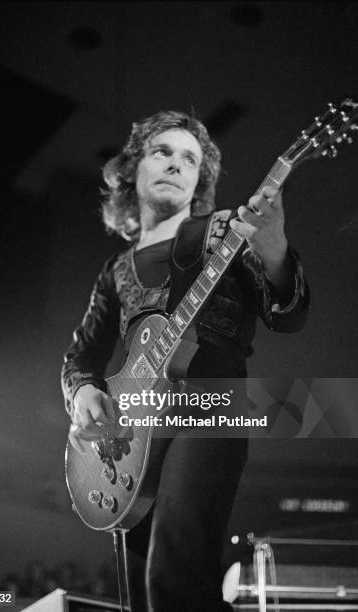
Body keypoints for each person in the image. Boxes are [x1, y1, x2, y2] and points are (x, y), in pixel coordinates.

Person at [61, 110, 309, 611]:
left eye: (190, 159)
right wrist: (84, 391)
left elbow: (288, 314)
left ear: (200, 180)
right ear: (134, 170)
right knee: (141, 592)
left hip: (209, 407)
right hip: (130, 433)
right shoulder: (115, 271)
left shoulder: (223, 232)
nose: (176, 164)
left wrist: (275, 246)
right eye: (163, 152)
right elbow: (81, 355)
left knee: (174, 575)